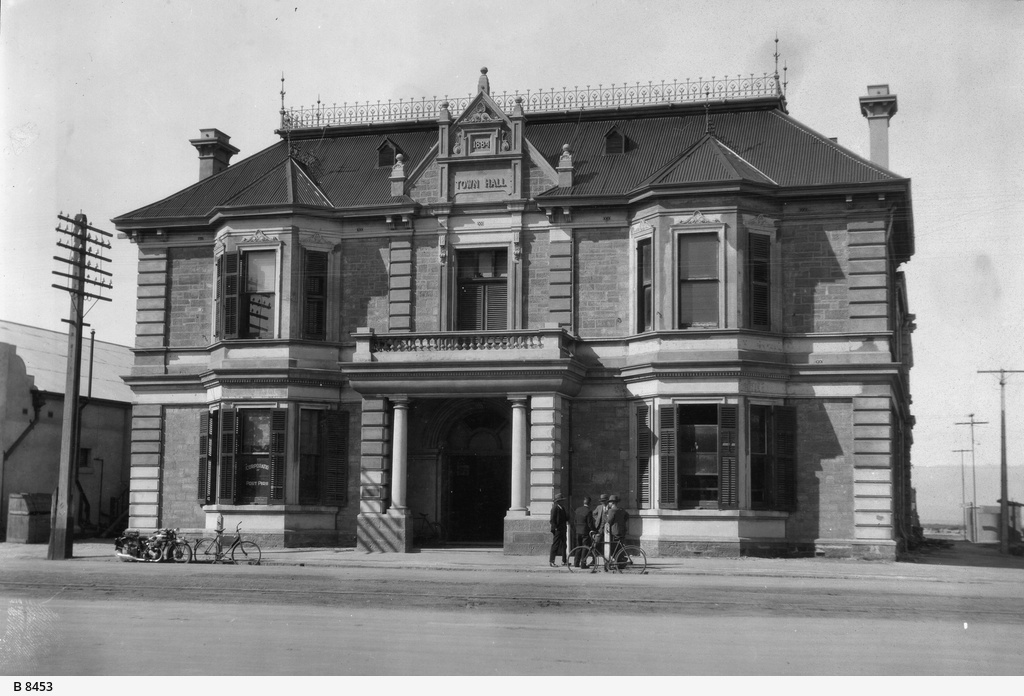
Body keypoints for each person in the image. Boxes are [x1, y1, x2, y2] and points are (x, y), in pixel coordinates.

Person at [606, 494, 630, 566]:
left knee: (613, 548)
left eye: (609, 502)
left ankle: (620, 562)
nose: (609, 503)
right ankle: (620, 561)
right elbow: (627, 516)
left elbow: (609, 521)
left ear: (613, 503)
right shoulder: (622, 510)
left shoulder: (611, 511)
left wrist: (605, 514)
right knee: (620, 547)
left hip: (615, 532)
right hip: (622, 531)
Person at [572, 496, 595, 567]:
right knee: (585, 547)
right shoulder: (588, 511)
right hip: (585, 532)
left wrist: (576, 528)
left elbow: (575, 521)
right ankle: (583, 563)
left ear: (584, 502)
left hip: (578, 531)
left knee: (578, 547)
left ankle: (576, 563)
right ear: (590, 503)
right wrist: (594, 530)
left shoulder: (577, 510)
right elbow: (590, 523)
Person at [549, 495, 569, 567]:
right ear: (558, 501)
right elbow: (552, 520)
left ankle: (564, 561)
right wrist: (555, 528)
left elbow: (565, 518)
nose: (562, 502)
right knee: (555, 545)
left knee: (564, 545)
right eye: (561, 500)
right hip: (558, 529)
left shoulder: (562, 508)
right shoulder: (555, 508)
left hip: (563, 529)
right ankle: (552, 561)